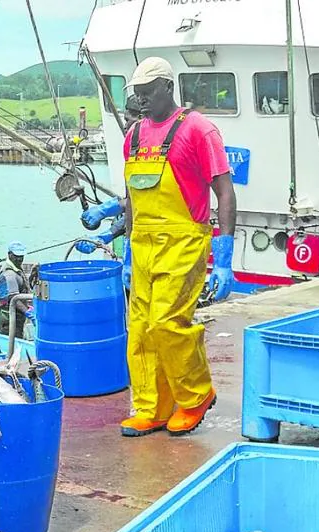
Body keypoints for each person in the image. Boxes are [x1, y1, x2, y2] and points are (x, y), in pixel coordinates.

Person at [118, 56, 236, 438]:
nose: (142, 102)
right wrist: (127, 249)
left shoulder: (198, 130)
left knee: (167, 322)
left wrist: (225, 253)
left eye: (148, 94)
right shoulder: (133, 136)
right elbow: (131, 198)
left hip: (184, 241)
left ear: (168, 87)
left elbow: (224, 191)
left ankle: (195, 395)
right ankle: (152, 407)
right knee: (140, 330)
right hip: (143, 245)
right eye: (138, 96)